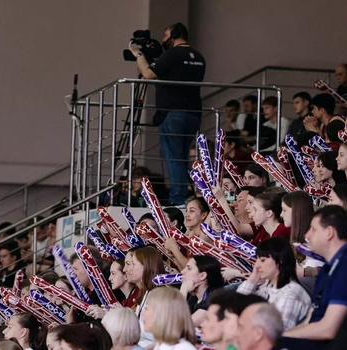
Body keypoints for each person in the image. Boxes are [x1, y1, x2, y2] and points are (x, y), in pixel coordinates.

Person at [129, 23, 206, 207]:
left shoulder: (172, 54)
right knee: (181, 157)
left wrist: (138, 53)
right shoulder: (199, 57)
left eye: (165, 36)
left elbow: (147, 73)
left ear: (173, 35)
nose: (163, 40)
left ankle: (178, 200)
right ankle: (188, 194)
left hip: (173, 113)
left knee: (173, 157)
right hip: (194, 113)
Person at [283, 206, 347, 341]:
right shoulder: (328, 268)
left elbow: (328, 330)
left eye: (313, 229)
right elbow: (311, 319)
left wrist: (281, 338)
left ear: (329, 232)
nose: (307, 235)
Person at [237, 237, 311, 331]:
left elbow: (278, 333)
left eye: (263, 260)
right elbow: (235, 307)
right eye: (257, 260)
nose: (257, 266)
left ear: (280, 260)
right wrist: (252, 279)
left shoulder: (292, 292)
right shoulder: (267, 287)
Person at [124, 246, 165, 348]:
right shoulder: (146, 292)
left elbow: (158, 332)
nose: (128, 269)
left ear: (145, 266)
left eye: (133, 264)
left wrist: (125, 324)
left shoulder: (160, 295)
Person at [179, 255, 224, 326]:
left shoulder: (214, 300)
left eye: (189, 268)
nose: (182, 271)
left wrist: (183, 290)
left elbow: (180, 326)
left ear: (202, 275)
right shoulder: (194, 298)